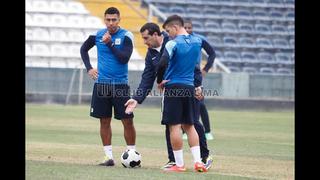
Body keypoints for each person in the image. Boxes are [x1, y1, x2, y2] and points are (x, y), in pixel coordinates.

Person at [124, 22, 214, 171]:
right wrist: (136, 99)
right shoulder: (151, 54)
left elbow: (194, 67)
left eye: (146, 38)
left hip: (185, 87)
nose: (144, 42)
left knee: (191, 123)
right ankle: (174, 160)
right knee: (173, 124)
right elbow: (147, 78)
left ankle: (204, 157)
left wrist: (198, 86)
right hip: (173, 90)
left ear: (155, 35)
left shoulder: (172, 41)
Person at [80, 7, 137, 167]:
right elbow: (83, 49)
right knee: (104, 121)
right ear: (105, 20)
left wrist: (110, 44)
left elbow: (124, 59)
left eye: (114, 20)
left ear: (119, 20)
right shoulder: (97, 35)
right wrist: (89, 68)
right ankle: (108, 157)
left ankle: (132, 155)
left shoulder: (126, 36)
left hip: (120, 86)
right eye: (108, 20)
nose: (111, 23)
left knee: (127, 120)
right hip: (101, 85)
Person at [183, 19, 215, 140]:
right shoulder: (177, 40)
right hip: (182, 74)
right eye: (185, 28)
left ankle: (207, 132)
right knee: (183, 102)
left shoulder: (198, 39)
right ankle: (185, 131)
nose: (187, 30)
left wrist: (205, 69)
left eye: (189, 28)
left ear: (192, 28)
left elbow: (212, 53)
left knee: (200, 103)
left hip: (195, 74)